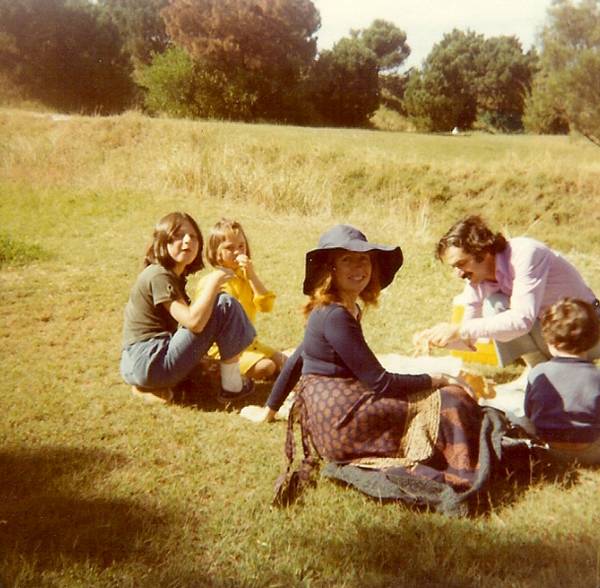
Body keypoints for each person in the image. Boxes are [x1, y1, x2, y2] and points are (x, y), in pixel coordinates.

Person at [263, 224, 486, 496]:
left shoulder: (336, 308)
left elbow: (298, 358)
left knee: (440, 395)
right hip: (340, 421)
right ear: (330, 268)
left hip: (326, 417)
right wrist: (437, 378)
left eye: (364, 259)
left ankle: (460, 447)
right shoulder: (335, 315)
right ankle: (461, 464)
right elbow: (380, 382)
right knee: (451, 397)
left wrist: (270, 410)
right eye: (347, 259)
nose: (359, 267)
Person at [414, 215, 600, 388]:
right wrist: (436, 338)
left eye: (461, 264)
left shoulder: (526, 253)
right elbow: (470, 338)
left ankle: (550, 376)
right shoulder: (478, 277)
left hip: (587, 333)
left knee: (497, 307)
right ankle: (538, 373)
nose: (458, 274)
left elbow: (521, 320)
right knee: (496, 305)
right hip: (552, 333)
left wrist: (459, 330)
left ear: (483, 251)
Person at [119, 212, 256, 404]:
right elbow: (193, 322)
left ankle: (153, 388)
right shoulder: (159, 275)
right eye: (178, 236)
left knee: (214, 307)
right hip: (150, 361)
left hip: (134, 364)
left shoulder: (170, 275)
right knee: (224, 303)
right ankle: (233, 387)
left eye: (193, 236)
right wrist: (214, 283)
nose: (187, 241)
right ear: (163, 242)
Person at [187, 218, 286, 381]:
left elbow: (266, 306)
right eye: (229, 248)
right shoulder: (212, 283)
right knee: (267, 367)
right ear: (216, 254)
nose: (238, 252)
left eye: (241, 246)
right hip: (224, 349)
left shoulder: (246, 277)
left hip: (251, 345)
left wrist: (252, 275)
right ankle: (217, 367)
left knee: (287, 363)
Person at [524, 298, 600, 465]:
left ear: (550, 342)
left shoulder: (538, 372)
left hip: (547, 450)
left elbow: (529, 412)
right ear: (594, 339)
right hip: (591, 452)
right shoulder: (596, 376)